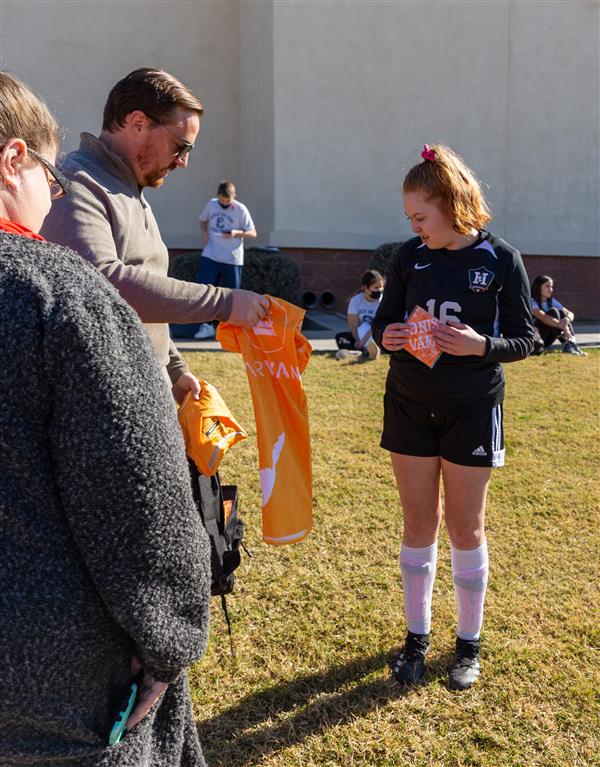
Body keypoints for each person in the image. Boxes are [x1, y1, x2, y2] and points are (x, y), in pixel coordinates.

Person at [0, 71, 212, 766]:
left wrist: (176, 370)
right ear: (13, 162)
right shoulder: (55, 293)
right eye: (47, 176)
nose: (54, 193)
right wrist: (170, 640)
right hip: (52, 685)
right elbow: (135, 498)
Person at [372, 144, 534, 691]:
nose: (415, 227)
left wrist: (479, 344)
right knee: (418, 524)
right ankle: (416, 637)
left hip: (472, 408)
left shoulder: (501, 259)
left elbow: (526, 339)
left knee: (466, 526)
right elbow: (383, 321)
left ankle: (468, 645)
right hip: (409, 404)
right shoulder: (406, 257)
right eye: (410, 219)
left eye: (421, 216)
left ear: (453, 203)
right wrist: (386, 336)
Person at [42, 68, 268, 401]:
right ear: (137, 123)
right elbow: (102, 283)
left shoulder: (128, 189)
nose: (184, 162)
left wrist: (174, 370)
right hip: (101, 405)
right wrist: (224, 302)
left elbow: (145, 291)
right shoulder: (78, 184)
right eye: (180, 147)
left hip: (142, 395)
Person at [194, 180, 257, 339]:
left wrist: (236, 233)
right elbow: (202, 220)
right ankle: (206, 326)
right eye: (221, 200)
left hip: (232, 258)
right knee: (205, 291)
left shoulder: (240, 209)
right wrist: (205, 234)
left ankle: (231, 331)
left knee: (232, 296)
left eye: (227, 201)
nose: (224, 203)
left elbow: (252, 233)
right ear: (217, 196)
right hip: (211, 254)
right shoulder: (212, 204)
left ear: (234, 197)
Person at [530, 274, 586, 355]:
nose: (551, 289)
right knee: (553, 312)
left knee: (563, 314)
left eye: (551, 287)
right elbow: (543, 317)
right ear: (538, 287)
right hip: (538, 338)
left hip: (550, 337)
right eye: (547, 286)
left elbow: (570, 314)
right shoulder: (532, 301)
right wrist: (565, 328)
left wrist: (567, 319)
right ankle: (568, 344)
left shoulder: (551, 301)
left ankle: (571, 344)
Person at [335, 269, 385, 361]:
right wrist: (358, 340)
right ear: (366, 288)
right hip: (359, 334)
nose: (380, 290)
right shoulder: (356, 300)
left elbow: (377, 325)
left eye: (381, 287)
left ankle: (366, 350)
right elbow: (353, 325)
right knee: (340, 338)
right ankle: (366, 350)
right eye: (376, 287)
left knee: (369, 327)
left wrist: (362, 341)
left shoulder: (383, 301)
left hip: (375, 333)